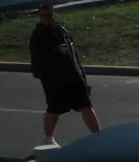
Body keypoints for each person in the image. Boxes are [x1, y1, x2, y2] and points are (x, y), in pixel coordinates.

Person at [29, 4, 100, 147]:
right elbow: (37, 58)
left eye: (50, 15)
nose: (47, 18)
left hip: (73, 76)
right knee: (54, 110)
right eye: (44, 15)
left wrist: (82, 75)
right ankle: (48, 138)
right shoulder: (38, 35)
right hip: (54, 80)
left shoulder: (62, 31)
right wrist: (56, 51)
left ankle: (98, 136)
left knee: (86, 106)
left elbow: (74, 57)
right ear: (40, 17)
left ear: (54, 14)